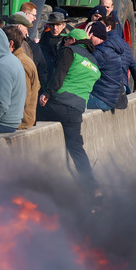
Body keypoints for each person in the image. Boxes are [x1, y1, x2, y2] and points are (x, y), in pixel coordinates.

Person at [38, 28, 102, 192]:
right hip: (76, 110)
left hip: (59, 103)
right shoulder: (94, 62)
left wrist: (47, 93)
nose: (64, 42)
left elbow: (59, 75)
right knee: (76, 147)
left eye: (66, 40)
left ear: (72, 40)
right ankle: (91, 185)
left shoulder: (69, 51)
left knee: (30, 115)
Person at [4, 25, 40, 129]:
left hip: (20, 122)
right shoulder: (20, 59)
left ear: (11, 43)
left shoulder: (21, 63)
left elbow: (24, 97)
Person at [84, 21, 122, 111]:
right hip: (108, 97)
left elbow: (82, 65)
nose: (88, 38)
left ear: (99, 37)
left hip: (102, 99)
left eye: (91, 36)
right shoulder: (108, 48)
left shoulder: (101, 53)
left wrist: (84, 43)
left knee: (70, 102)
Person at [101, 15, 136, 93]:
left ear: (109, 27)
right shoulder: (125, 44)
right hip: (122, 86)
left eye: (100, 26)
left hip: (108, 87)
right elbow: (134, 66)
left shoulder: (104, 43)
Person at [38, 11, 71, 87]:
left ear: (64, 25)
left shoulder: (67, 39)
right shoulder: (45, 36)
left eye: (58, 24)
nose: (55, 28)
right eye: (52, 25)